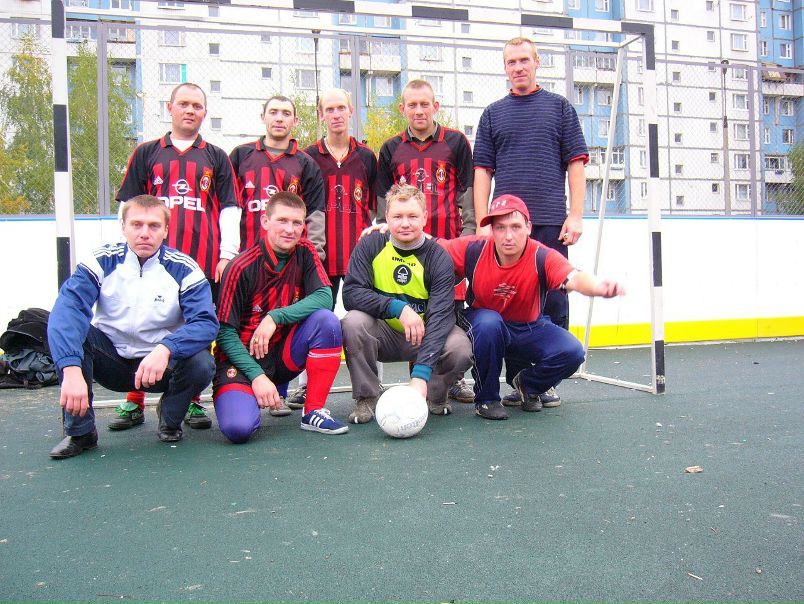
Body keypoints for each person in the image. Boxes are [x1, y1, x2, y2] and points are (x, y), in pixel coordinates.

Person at [47, 195, 218, 458]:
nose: (144, 233)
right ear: (123, 227)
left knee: (202, 363)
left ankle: (170, 417)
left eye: (154, 226)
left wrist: (166, 349)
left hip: (160, 367)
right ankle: (81, 433)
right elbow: (67, 311)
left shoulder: (185, 269)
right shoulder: (101, 261)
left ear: (166, 230)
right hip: (112, 361)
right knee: (72, 333)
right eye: (137, 224)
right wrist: (70, 369)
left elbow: (205, 323)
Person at [472, 37, 589, 408]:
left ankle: (542, 382)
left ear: (537, 63)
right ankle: (515, 381)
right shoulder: (492, 113)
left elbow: (576, 163)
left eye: (524, 60)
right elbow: (482, 171)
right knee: (509, 303)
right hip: (506, 227)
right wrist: (483, 223)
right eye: (511, 62)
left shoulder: (560, 108)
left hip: (551, 223)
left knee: (554, 302)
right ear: (505, 68)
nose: (518, 67)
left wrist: (575, 214)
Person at [115, 82, 239, 430]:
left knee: (197, 328)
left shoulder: (216, 156)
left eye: (197, 106)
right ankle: (135, 398)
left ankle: (191, 400)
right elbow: (129, 207)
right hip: (153, 263)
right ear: (169, 108)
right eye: (183, 104)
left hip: (202, 264)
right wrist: (126, 251)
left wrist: (227, 254)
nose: (190, 110)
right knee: (144, 323)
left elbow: (230, 208)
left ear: (204, 113)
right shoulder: (147, 153)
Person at [439, 195, 624, 420]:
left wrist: (598, 287)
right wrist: (402, 230)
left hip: (527, 327)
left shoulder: (542, 256)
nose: (508, 235)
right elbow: (432, 248)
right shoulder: (474, 248)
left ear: (528, 227)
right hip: (483, 324)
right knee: (489, 323)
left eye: (515, 227)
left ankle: (527, 384)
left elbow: (574, 278)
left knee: (573, 352)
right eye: (500, 228)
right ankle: (486, 399)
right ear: (492, 230)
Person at [212, 192, 347, 443]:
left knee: (327, 322)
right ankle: (245, 396)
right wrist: (257, 377)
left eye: (297, 223)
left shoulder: (305, 250)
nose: (290, 229)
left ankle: (313, 411)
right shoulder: (240, 267)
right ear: (265, 221)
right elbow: (225, 334)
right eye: (282, 220)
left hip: (281, 358)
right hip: (241, 363)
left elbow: (324, 297)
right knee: (238, 429)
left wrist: (275, 317)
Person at [376, 79, 476, 404]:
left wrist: (467, 238)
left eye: (424, 104)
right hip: (407, 248)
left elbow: (467, 193)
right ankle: (417, 380)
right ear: (402, 108)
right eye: (412, 105)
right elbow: (384, 203)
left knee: (451, 311)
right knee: (413, 307)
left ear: (435, 106)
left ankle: (453, 380)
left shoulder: (456, 142)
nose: (419, 110)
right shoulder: (391, 148)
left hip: (447, 246)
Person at [341, 184, 472, 424]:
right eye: (397, 216)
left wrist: (420, 374)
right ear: (386, 217)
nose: (405, 223)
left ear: (425, 217)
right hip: (385, 333)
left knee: (460, 347)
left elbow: (441, 317)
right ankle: (367, 397)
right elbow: (351, 294)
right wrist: (398, 308)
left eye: (412, 216)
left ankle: (433, 393)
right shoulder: (370, 245)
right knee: (353, 322)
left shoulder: (438, 257)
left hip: (425, 333)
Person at [283, 89, 379, 411]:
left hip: (360, 258)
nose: (336, 114)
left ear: (351, 110)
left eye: (341, 108)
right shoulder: (308, 157)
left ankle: (372, 384)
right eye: (330, 109)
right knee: (314, 317)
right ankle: (304, 385)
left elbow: (374, 207)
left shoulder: (367, 157)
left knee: (366, 319)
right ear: (321, 114)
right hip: (320, 257)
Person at [229, 95, 325, 256]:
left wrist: (314, 255)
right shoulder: (240, 155)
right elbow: (228, 208)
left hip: (291, 260)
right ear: (263, 117)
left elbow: (315, 214)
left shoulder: (306, 164)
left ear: (295, 121)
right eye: (273, 112)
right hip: (245, 256)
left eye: (286, 114)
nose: (279, 118)